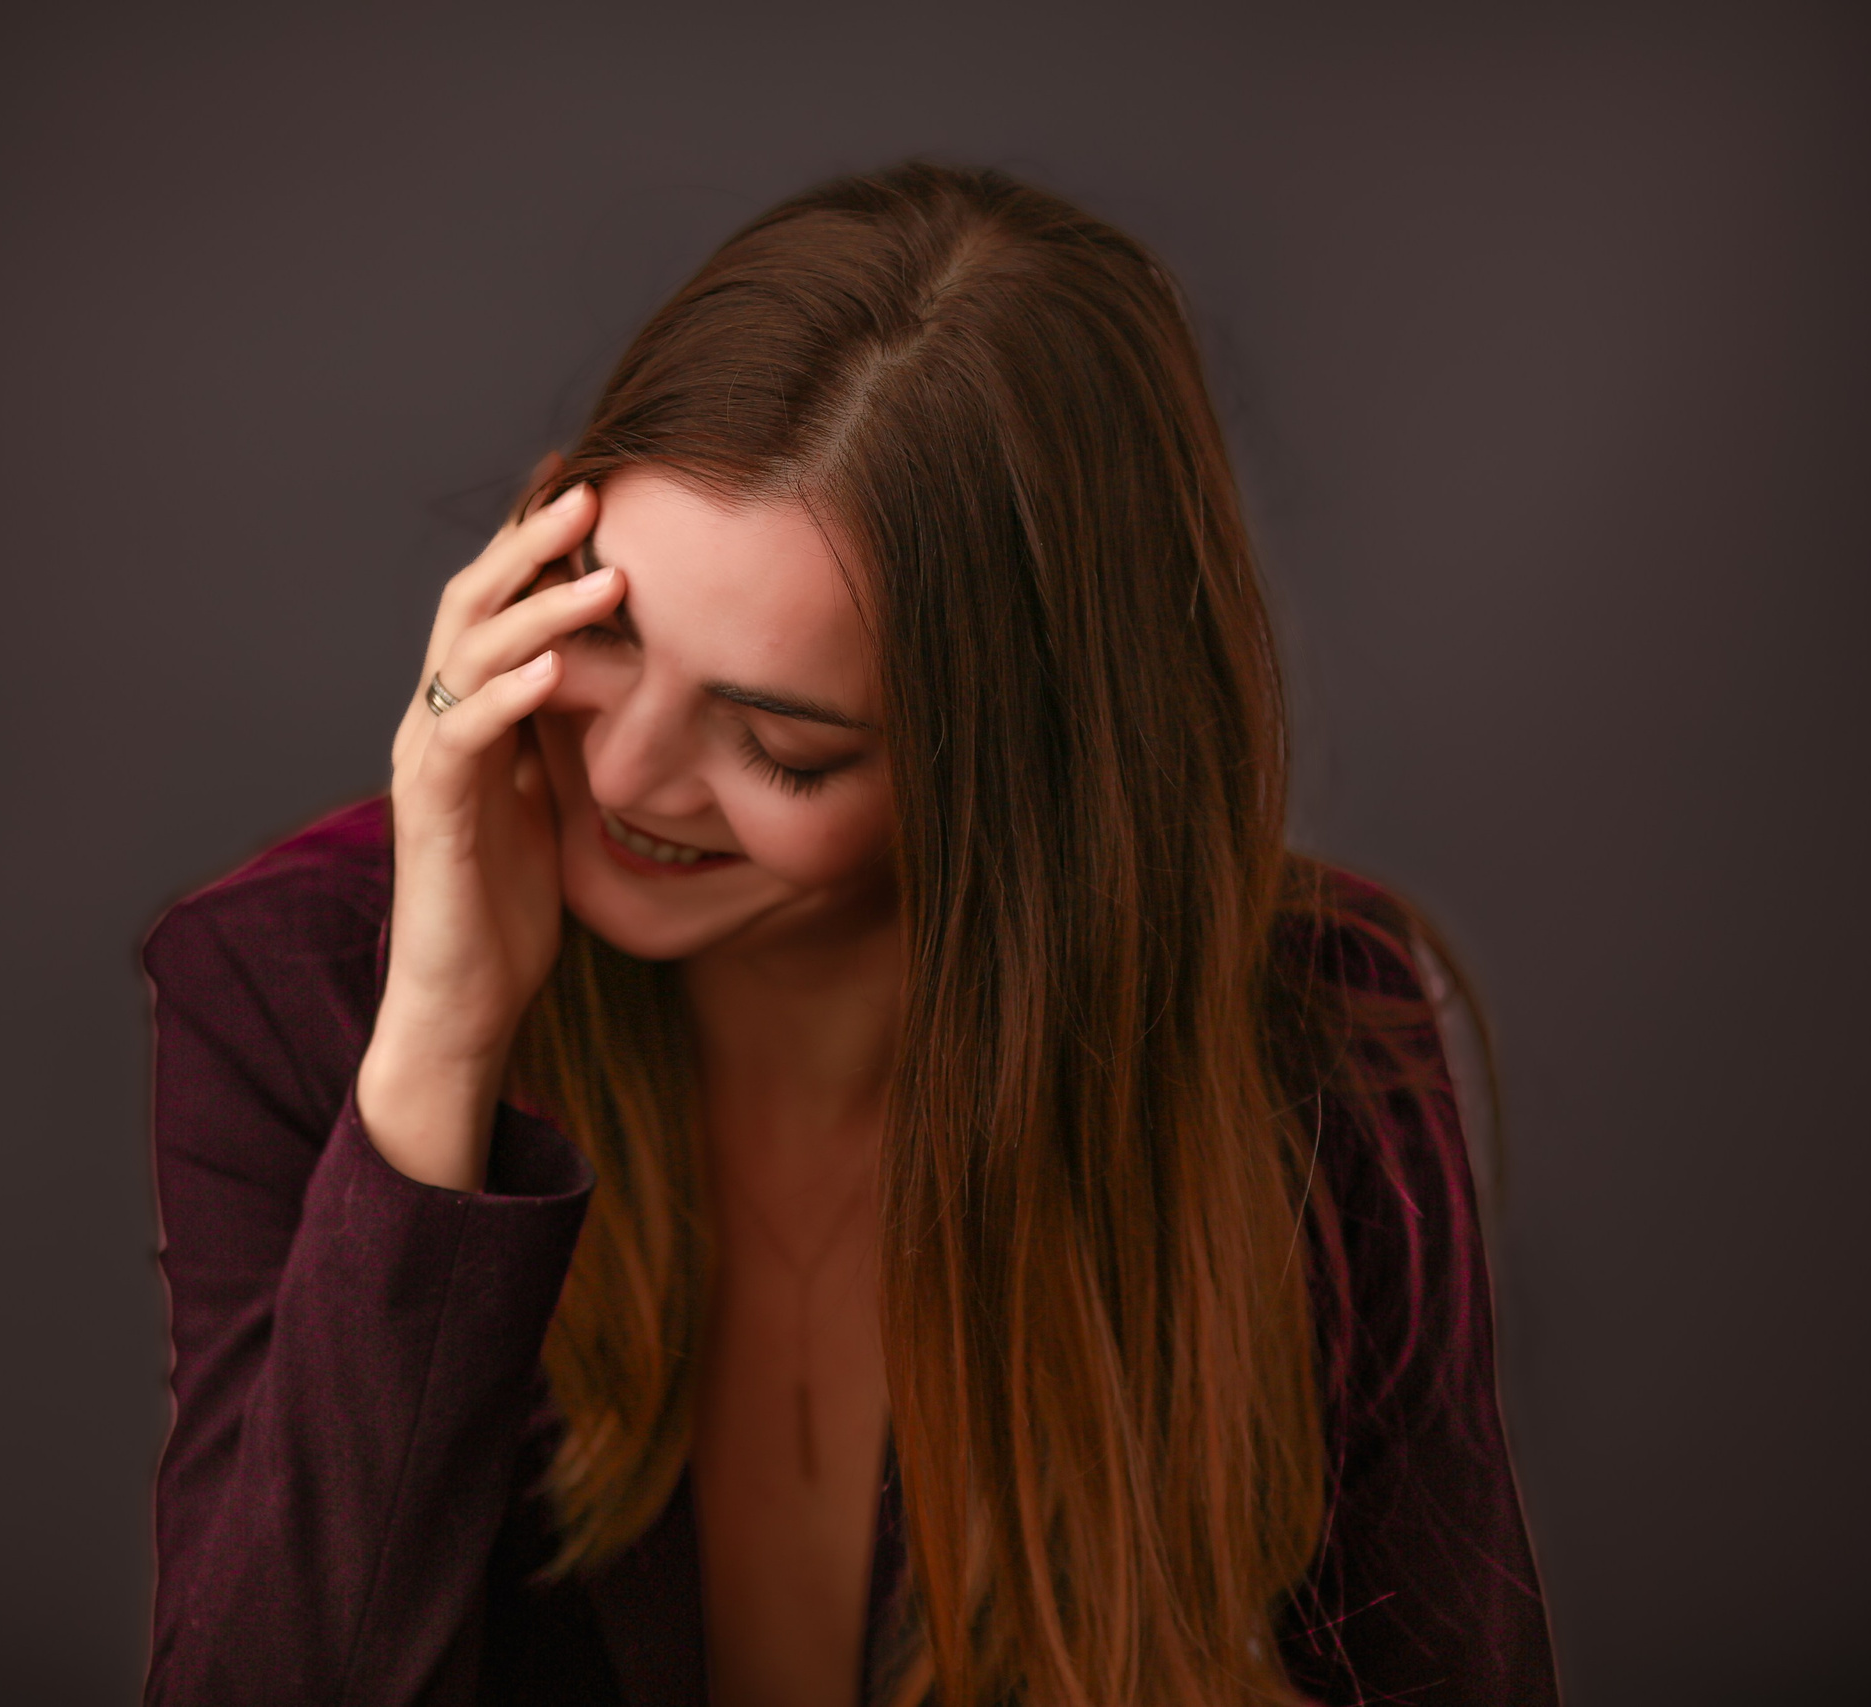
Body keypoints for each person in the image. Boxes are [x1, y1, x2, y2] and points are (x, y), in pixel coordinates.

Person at [139, 161, 1558, 1707]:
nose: (621, 778)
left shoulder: (1304, 1022)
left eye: (786, 748)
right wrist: (437, 1058)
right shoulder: (293, 988)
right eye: (604, 632)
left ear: (1026, 772)